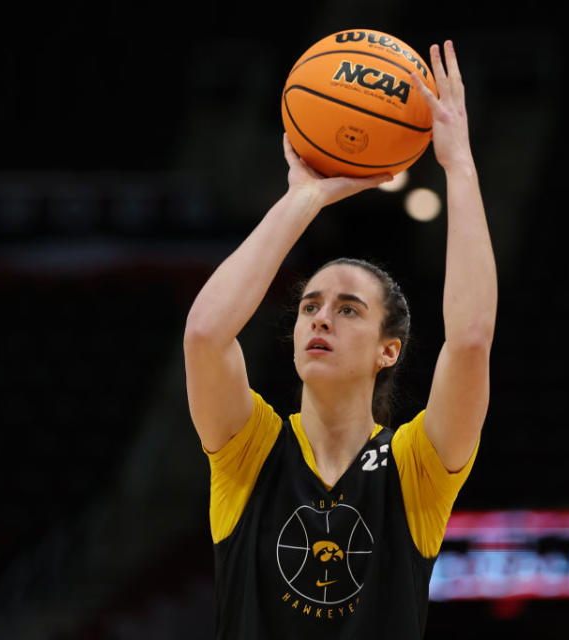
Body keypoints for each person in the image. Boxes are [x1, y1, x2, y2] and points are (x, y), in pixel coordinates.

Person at [184, 40, 497, 639]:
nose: (321, 319)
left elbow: (472, 339)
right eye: (310, 307)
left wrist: (459, 165)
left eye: (349, 309)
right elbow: (204, 335)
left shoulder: (415, 470)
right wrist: (302, 198)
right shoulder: (250, 452)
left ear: (390, 350)